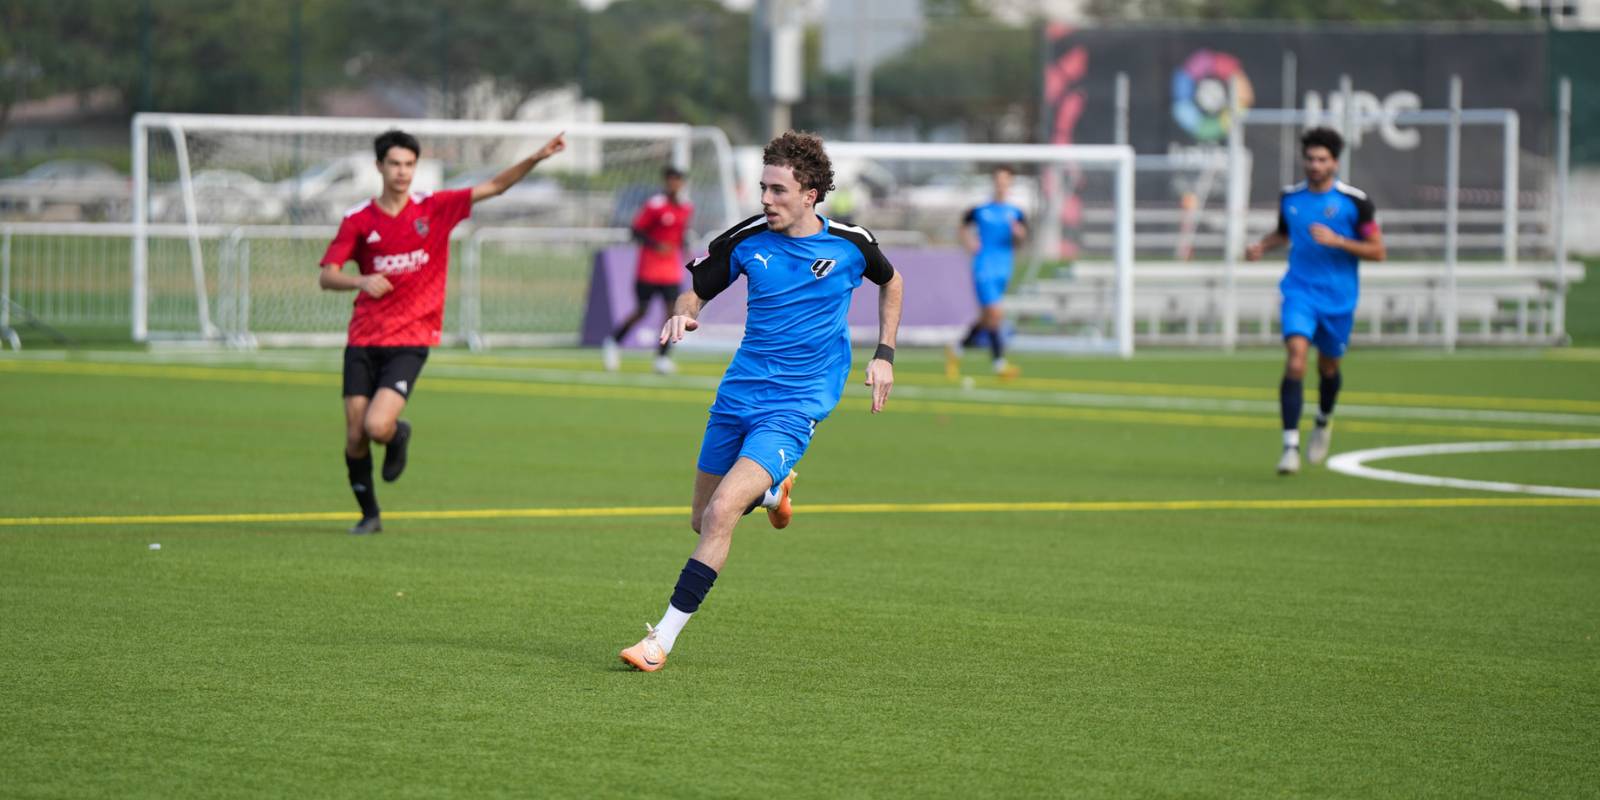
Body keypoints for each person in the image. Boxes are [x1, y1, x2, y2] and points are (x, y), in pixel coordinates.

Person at [618, 131, 904, 672]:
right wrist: (684, 310)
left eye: (777, 190)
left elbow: (892, 283)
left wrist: (883, 352)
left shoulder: (850, 242)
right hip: (738, 393)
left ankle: (661, 640)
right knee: (702, 518)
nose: (766, 199)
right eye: (763, 188)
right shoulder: (748, 238)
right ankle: (774, 494)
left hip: (797, 404)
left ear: (811, 194)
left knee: (724, 511)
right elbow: (697, 287)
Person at [318, 129, 566, 533]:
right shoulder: (358, 219)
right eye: (395, 163)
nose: (402, 171)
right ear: (379, 166)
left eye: (409, 164)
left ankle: (398, 435)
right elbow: (327, 277)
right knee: (354, 436)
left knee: (377, 427)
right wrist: (360, 281)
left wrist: (536, 157)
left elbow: (497, 185)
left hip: (411, 339)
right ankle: (369, 516)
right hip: (363, 338)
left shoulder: (434, 209)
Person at [1246, 127, 1385, 475]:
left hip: (1339, 300)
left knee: (1328, 367)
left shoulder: (1355, 202)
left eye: (1322, 159)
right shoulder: (1290, 199)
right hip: (1299, 292)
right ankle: (1289, 445)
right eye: (1309, 159)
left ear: (1335, 163)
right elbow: (1284, 232)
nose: (1314, 165)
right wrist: (1262, 246)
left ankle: (1323, 420)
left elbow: (1378, 251)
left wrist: (1339, 241)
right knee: (1296, 360)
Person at [602, 166, 695, 374]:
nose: (674, 184)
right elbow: (635, 231)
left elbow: (680, 233)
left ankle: (662, 358)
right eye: (671, 179)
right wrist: (655, 245)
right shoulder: (655, 205)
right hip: (649, 269)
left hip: (671, 270)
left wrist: (685, 246)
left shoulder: (686, 207)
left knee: (672, 314)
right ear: (665, 181)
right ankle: (613, 342)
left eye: (678, 180)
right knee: (642, 311)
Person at [947, 165, 1027, 381]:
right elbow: (963, 225)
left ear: (1010, 184)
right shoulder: (981, 210)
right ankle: (1000, 365)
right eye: (998, 180)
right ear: (994, 182)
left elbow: (1020, 240)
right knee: (995, 314)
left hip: (1004, 269)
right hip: (984, 267)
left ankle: (956, 349)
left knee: (987, 319)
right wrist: (969, 242)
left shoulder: (1016, 213)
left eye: (1005, 180)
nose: (1001, 184)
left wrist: (1018, 234)